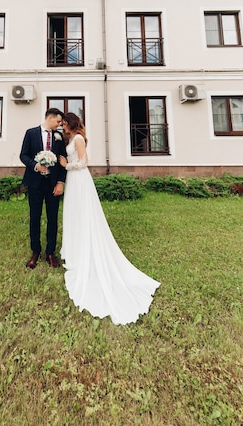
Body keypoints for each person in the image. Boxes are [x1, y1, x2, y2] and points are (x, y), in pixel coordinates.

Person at [59, 112, 160, 325]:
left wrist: (65, 165)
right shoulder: (71, 138)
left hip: (79, 178)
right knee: (75, 214)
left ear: (71, 124)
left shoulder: (77, 139)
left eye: (64, 123)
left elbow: (85, 162)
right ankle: (76, 249)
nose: (63, 126)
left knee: (82, 214)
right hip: (74, 180)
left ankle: (83, 252)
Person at [20, 108, 67, 269]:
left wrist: (60, 182)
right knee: (35, 217)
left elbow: (63, 160)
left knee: (52, 218)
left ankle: (50, 253)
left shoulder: (59, 137)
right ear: (50, 118)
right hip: (35, 183)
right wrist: (35, 166)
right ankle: (35, 251)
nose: (60, 125)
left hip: (52, 184)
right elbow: (23, 155)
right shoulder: (31, 133)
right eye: (58, 121)